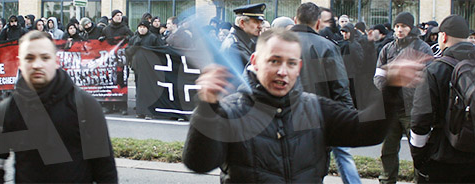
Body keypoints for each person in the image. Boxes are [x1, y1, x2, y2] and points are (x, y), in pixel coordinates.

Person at [183, 28, 426, 183]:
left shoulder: (316, 108)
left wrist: (392, 88)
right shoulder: (232, 111)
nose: (282, 71)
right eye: (274, 61)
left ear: (298, 67)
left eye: (290, 63)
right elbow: (199, 163)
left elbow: (368, 131)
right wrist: (207, 107)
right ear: (255, 62)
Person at [0, 30, 118, 183]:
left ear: (56, 61)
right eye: (29, 58)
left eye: (45, 57)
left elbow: (105, 171)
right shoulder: (8, 110)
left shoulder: (85, 106)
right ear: (20, 62)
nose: (37, 65)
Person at [410, 14, 475, 183]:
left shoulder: (435, 70)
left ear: (444, 36)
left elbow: (420, 120)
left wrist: (418, 156)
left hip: (445, 160)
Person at [290, 3, 359, 184]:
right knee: (313, 174)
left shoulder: (277, 44)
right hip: (316, 122)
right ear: (318, 23)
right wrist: (348, 121)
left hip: (283, 122)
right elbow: (340, 87)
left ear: (295, 20)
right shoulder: (326, 46)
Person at [373, 12, 434, 184]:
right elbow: (378, 75)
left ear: (411, 28)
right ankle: (387, 179)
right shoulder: (387, 49)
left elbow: (427, 78)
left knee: (418, 150)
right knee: (388, 150)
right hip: (391, 108)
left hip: (413, 110)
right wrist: (387, 89)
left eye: (403, 26)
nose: (399, 30)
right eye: (397, 26)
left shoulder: (423, 48)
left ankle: (420, 180)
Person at [100, 9, 133, 115]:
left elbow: (133, 39)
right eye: (117, 15)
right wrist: (101, 39)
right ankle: (109, 105)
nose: (119, 17)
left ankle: (122, 106)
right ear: (113, 17)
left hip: (121, 61)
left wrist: (128, 39)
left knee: (121, 83)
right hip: (110, 61)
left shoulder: (125, 28)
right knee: (110, 83)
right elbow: (102, 43)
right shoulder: (106, 29)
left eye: (120, 15)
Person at [220, 3, 265, 70]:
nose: (260, 26)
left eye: (261, 22)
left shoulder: (244, 41)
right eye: (256, 22)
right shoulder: (235, 46)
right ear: (242, 23)